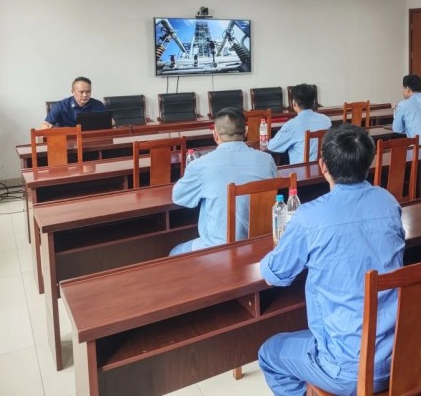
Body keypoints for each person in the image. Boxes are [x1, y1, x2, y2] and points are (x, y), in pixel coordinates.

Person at [258, 123, 405, 396]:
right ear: (369, 163)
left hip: (346, 370)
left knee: (269, 352)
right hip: (400, 357)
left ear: (322, 165)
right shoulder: (388, 202)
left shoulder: (309, 217)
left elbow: (274, 275)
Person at [169, 107, 277, 255]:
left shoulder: (200, 165)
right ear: (245, 132)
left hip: (218, 249)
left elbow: (178, 197)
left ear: (215, 135)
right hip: (260, 244)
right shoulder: (267, 160)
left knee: (174, 252)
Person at [268, 83, 332, 164]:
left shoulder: (292, 125)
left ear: (294, 103)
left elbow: (272, 146)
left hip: (301, 170)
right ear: (313, 102)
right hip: (323, 168)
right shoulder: (326, 120)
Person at [40, 76, 105, 128]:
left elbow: (108, 123)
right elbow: (45, 124)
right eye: (81, 92)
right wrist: (47, 126)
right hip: (67, 138)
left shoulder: (98, 105)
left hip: (91, 138)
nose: (85, 95)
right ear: (72, 91)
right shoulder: (60, 106)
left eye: (88, 92)